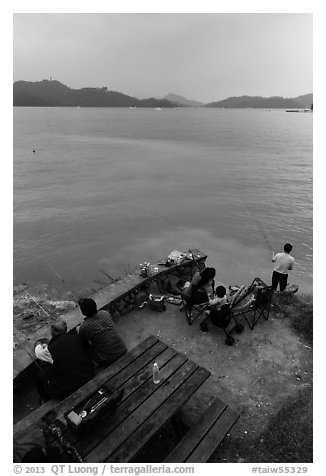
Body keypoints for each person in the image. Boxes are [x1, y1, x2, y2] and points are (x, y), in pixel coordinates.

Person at [37, 319, 94, 401]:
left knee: (41, 375)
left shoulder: (50, 349)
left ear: (53, 331)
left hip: (67, 388)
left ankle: (45, 398)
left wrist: (38, 344)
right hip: (88, 374)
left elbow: (38, 353)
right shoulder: (77, 337)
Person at [78, 298, 127, 367]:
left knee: (86, 348)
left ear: (83, 312)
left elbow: (84, 342)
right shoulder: (105, 313)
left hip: (108, 359)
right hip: (122, 349)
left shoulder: (85, 327)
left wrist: (80, 330)